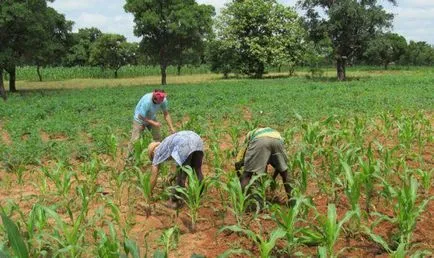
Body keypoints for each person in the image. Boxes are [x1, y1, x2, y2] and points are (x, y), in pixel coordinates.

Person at [147, 130, 204, 209]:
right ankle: (198, 196)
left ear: (153, 151)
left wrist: (148, 192)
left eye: (152, 157)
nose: (154, 160)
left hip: (184, 144)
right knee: (197, 171)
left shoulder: (157, 152)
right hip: (196, 139)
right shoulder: (166, 144)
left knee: (181, 176)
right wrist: (173, 177)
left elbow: (154, 176)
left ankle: (174, 201)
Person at [235, 127, 292, 203]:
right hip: (278, 140)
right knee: (285, 173)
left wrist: (241, 174)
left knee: (247, 175)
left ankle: (242, 202)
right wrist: (273, 178)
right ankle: (293, 202)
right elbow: (280, 167)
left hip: (260, 141)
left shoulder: (250, 135)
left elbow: (239, 159)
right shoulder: (272, 132)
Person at [128, 89, 176, 157]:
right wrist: (152, 123)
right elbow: (140, 116)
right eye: (158, 102)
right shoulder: (147, 102)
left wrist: (171, 128)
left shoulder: (163, 99)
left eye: (161, 102)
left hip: (151, 117)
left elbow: (166, 114)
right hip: (139, 119)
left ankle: (159, 155)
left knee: (157, 137)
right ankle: (129, 158)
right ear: (154, 99)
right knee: (135, 140)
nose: (160, 103)